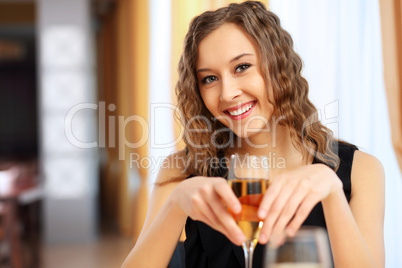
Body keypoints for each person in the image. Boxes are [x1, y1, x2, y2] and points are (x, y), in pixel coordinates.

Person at [122, 1, 385, 267]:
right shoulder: (181, 171)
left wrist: (332, 195)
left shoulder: (361, 170)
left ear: (279, 65)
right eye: (209, 79)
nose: (227, 93)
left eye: (242, 67)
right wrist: (175, 205)